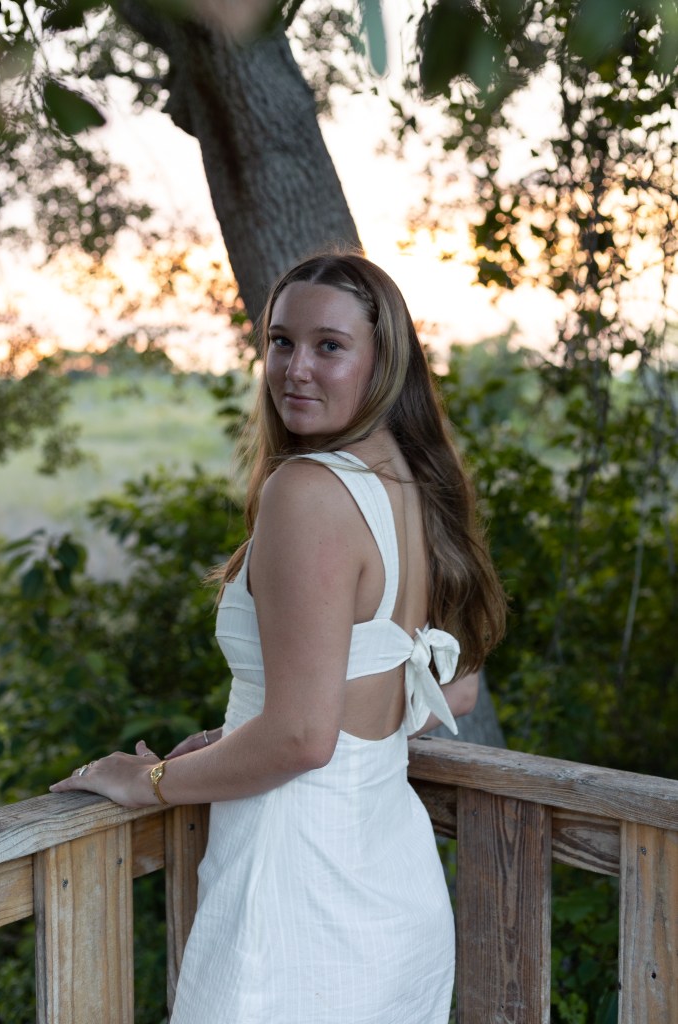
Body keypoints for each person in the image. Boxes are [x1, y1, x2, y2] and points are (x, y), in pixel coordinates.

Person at [51, 251, 506, 1023]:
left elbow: (302, 738)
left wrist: (146, 781)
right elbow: (450, 689)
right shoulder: (409, 482)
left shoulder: (308, 490)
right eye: (280, 341)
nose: (295, 368)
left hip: (298, 893)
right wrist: (242, 739)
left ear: (383, 361)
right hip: (389, 888)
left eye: (329, 346)